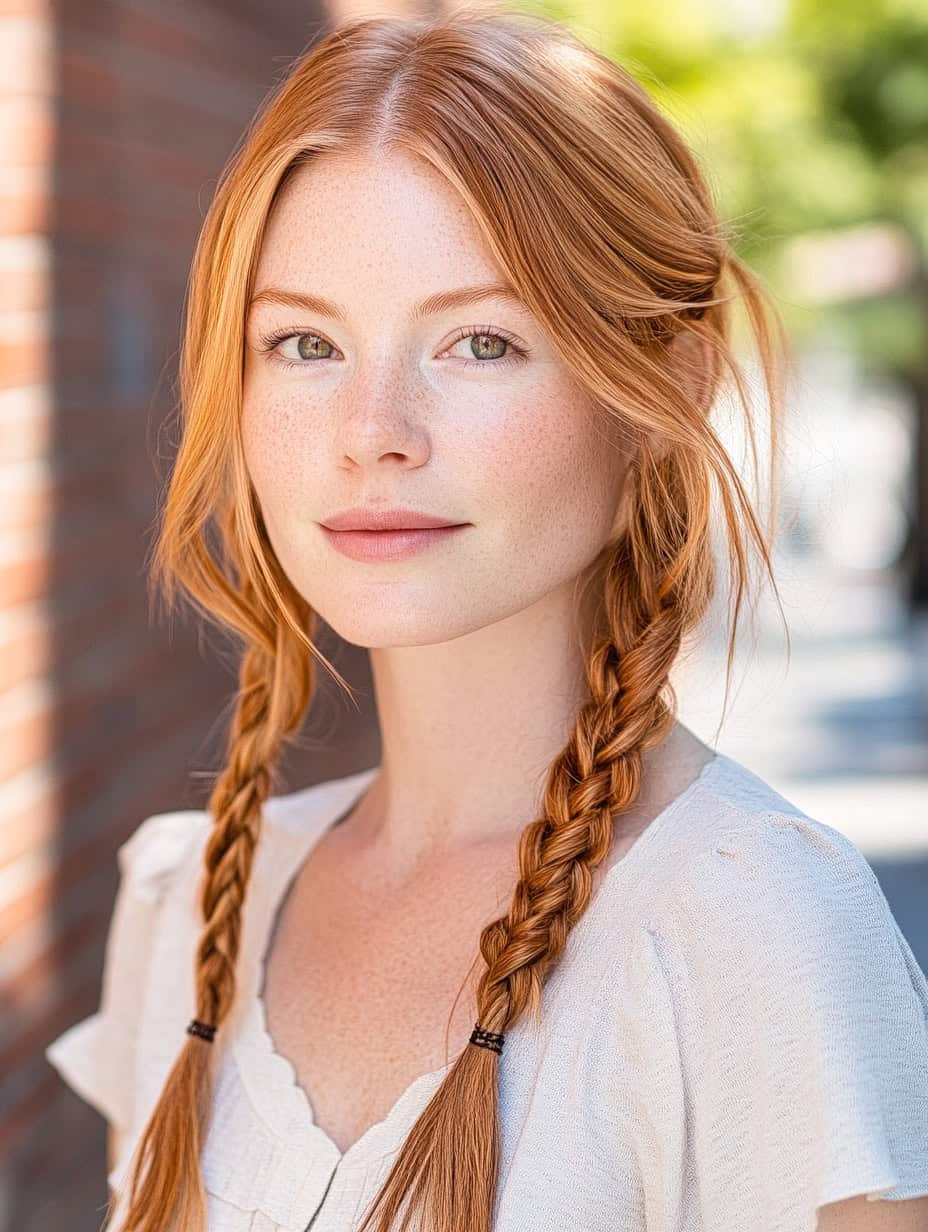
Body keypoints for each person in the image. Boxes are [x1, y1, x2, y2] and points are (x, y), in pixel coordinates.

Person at [45, 7, 928, 1232]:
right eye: (304, 342)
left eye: (478, 341)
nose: (374, 430)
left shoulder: (749, 927)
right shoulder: (192, 903)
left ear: (660, 391)